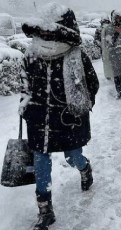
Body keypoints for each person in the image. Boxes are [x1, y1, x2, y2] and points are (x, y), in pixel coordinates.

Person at [19, 3, 99, 230]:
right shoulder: (31, 55)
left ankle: (84, 169)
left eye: (49, 31)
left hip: (68, 119)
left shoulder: (76, 56)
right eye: (42, 31)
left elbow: (92, 84)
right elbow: (25, 86)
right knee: (41, 162)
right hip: (38, 120)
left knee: (73, 156)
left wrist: (80, 104)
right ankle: (45, 210)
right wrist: (25, 105)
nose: (45, 35)